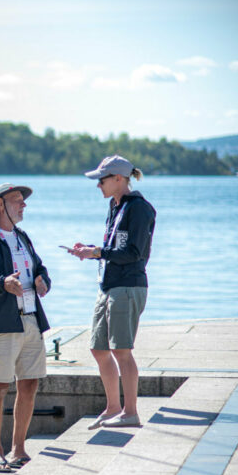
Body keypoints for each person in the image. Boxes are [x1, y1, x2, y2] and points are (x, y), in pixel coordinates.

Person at [67, 155, 156, 429]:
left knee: (122, 351)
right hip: (109, 285)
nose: (98, 185)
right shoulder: (114, 206)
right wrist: (92, 251)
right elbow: (114, 248)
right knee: (98, 349)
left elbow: (133, 253)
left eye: (101, 180)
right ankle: (113, 408)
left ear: (119, 179)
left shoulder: (139, 209)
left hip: (128, 286)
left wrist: (97, 252)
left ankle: (130, 413)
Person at [0, 183, 51, 473]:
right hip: (2, 323)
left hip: (30, 319)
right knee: (0, 386)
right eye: (18, 200)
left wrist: (42, 281)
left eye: (23, 201)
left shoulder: (22, 237)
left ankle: (19, 449)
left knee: (30, 383)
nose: (24, 205)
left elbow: (40, 268)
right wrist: (3, 283)